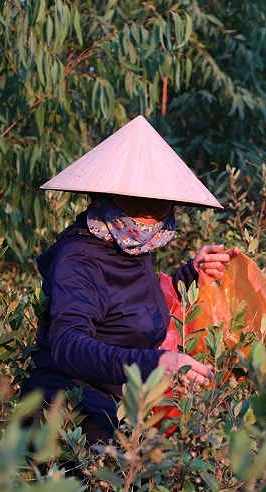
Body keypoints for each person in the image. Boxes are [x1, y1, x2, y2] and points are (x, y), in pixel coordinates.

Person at [20, 116, 239, 444]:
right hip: (68, 409)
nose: (148, 217)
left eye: (158, 204)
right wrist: (156, 363)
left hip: (120, 402)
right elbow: (68, 345)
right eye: (137, 203)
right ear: (104, 196)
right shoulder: (79, 257)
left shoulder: (128, 246)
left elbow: (132, 305)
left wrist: (193, 273)